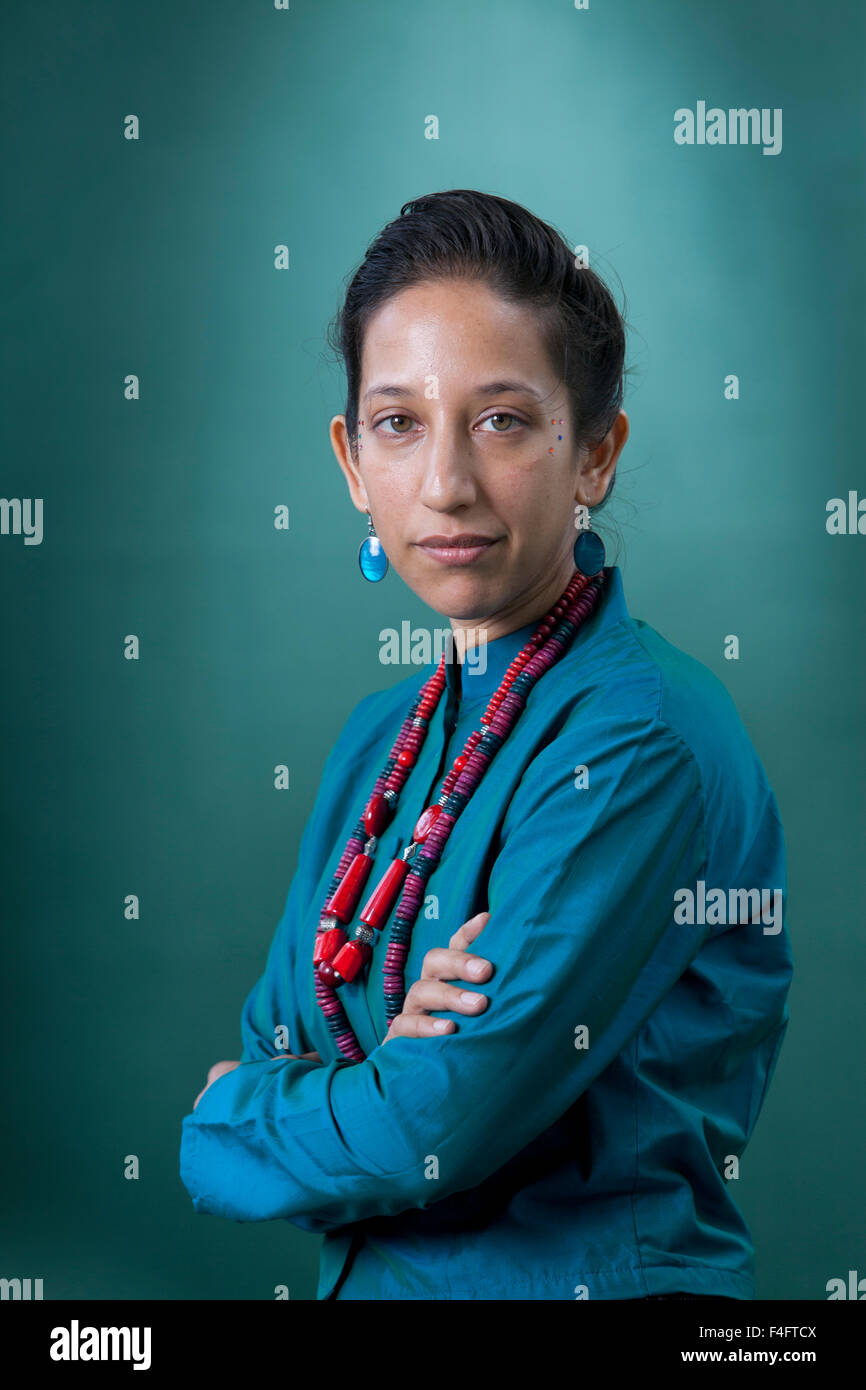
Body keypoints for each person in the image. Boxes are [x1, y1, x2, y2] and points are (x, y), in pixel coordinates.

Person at [180, 189, 792, 1301]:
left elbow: (431, 1123)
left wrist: (233, 1109)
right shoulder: (377, 741)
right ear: (351, 462)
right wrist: (359, 1078)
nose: (446, 483)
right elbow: (284, 1043)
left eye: (501, 418)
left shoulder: (637, 743)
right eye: (398, 422)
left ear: (595, 452)